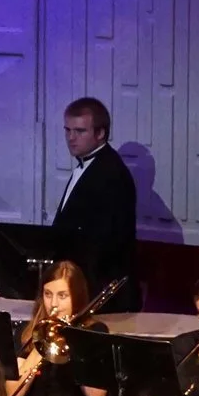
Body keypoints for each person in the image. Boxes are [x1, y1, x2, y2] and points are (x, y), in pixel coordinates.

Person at [51, 97, 137, 291]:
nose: (71, 138)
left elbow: (105, 243)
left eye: (80, 131)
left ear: (100, 133)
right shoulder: (90, 166)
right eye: (67, 130)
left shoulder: (111, 174)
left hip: (97, 288)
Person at [9, 261, 111, 396]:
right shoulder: (25, 332)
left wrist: (73, 338)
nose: (53, 304)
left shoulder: (95, 331)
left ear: (76, 297)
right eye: (48, 294)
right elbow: (14, 395)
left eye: (62, 296)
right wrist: (41, 341)